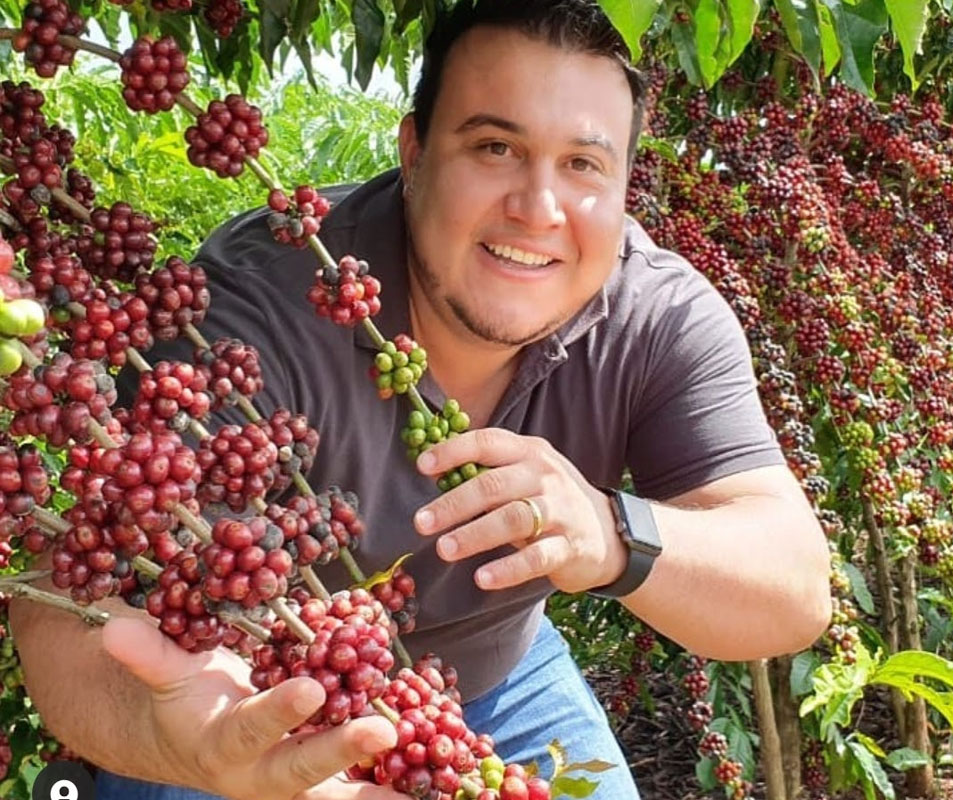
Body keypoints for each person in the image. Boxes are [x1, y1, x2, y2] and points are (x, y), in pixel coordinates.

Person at [9, 1, 833, 799]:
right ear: (414, 153)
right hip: (249, 694)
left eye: (584, 164)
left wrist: (612, 533)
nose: (538, 210)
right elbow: (75, 594)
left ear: (623, 187)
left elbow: (792, 587)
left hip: (496, 670)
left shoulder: (655, 316)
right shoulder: (247, 318)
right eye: (495, 147)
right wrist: (185, 747)